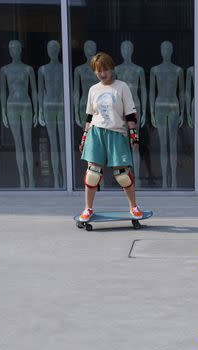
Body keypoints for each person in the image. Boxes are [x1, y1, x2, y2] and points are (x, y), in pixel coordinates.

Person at [77, 52, 141, 222]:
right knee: (92, 173)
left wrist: (133, 136)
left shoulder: (122, 87)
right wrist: (84, 137)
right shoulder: (93, 90)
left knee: (122, 174)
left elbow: (130, 114)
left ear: (111, 68)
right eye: (98, 70)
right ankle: (87, 208)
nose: (102, 73)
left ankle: (133, 206)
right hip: (96, 133)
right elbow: (89, 117)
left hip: (117, 133)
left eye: (105, 69)